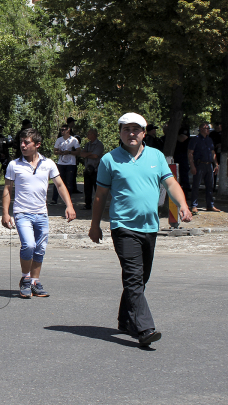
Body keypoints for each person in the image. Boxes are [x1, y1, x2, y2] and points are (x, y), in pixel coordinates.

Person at [89, 113, 192, 347]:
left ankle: (126, 319)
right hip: (123, 226)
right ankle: (145, 328)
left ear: (144, 133)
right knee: (134, 277)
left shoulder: (156, 156)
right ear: (120, 133)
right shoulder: (109, 160)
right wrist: (95, 226)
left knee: (141, 278)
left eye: (136, 129)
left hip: (150, 227)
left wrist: (183, 205)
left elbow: (170, 183)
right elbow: (100, 195)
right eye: (127, 129)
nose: (131, 133)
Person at [2, 128, 75, 298]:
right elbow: (7, 189)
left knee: (40, 248)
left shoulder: (48, 163)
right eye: (21, 142)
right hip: (22, 213)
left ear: (37, 144)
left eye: (26, 142)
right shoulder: (14, 165)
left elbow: (60, 185)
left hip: (41, 214)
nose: (22, 145)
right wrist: (5, 213)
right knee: (29, 245)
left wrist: (69, 206)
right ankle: (25, 279)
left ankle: (35, 281)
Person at [188, 122, 220, 213]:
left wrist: (216, 164)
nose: (208, 130)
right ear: (201, 129)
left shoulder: (209, 140)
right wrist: (192, 166)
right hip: (199, 164)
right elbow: (190, 153)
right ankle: (194, 205)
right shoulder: (195, 139)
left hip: (209, 165)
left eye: (209, 128)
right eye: (207, 128)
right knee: (196, 185)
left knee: (210, 186)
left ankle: (210, 205)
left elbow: (213, 152)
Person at [51, 124, 80, 204]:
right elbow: (55, 151)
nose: (62, 131)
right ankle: (54, 199)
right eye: (61, 130)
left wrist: (70, 152)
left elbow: (78, 151)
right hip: (61, 163)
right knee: (57, 181)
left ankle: (68, 200)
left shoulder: (74, 140)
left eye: (63, 130)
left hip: (71, 163)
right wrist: (59, 152)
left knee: (69, 182)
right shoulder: (59, 140)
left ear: (68, 130)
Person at [78, 128, 104, 210]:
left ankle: (99, 205)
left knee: (97, 189)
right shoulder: (88, 144)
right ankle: (87, 204)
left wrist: (87, 154)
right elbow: (81, 154)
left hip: (96, 170)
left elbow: (95, 156)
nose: (87, 135)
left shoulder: (99, 145)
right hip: (87, 170)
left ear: (93, 134)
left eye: (89, 134)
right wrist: (90, 154)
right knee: (87, 189)